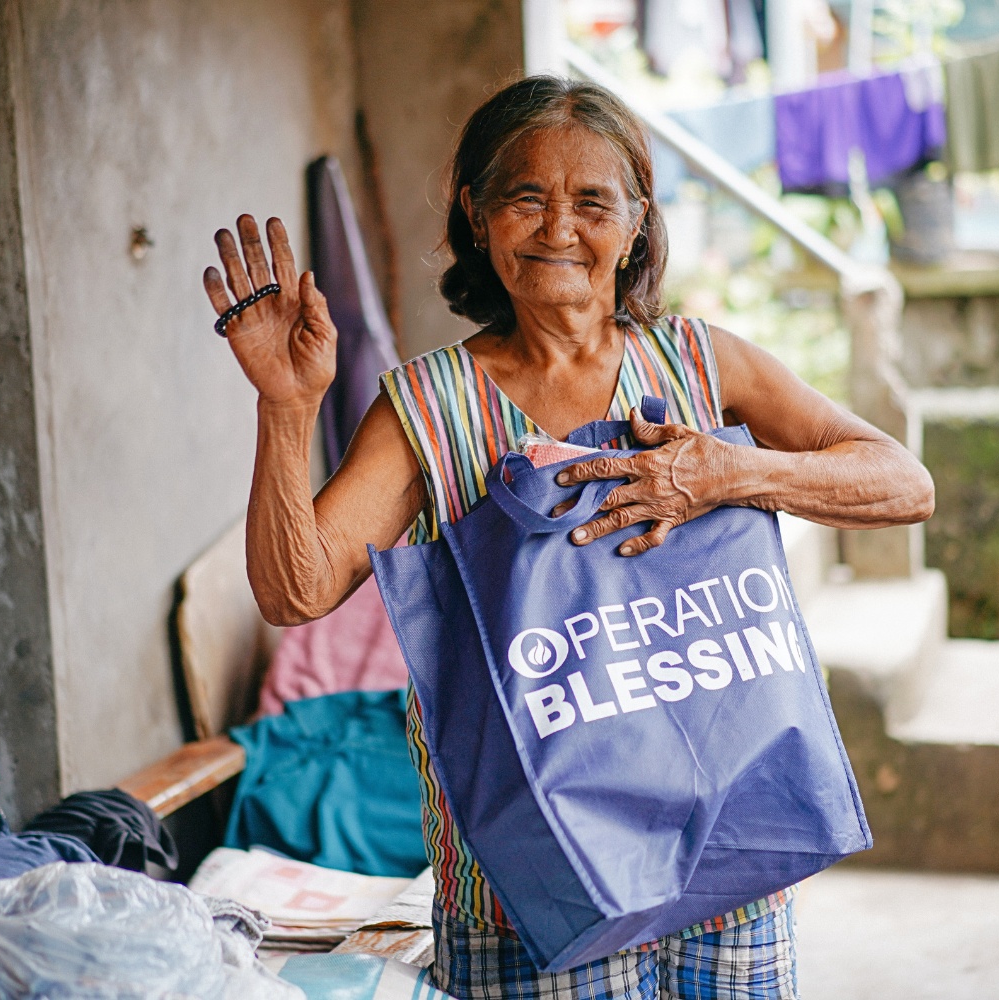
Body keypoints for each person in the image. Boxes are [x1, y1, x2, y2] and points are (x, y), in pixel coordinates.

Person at [203, 76, 933, 1000]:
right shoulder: (429, 405)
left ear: (635, 224)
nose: (558, 228)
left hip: (728, 869)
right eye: (525, 198)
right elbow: (293, 591)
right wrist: (287, 405)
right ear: (477, 215)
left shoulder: (705, 364)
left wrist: (727, 472)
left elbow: (903, 484)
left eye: (592, 202)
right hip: (532, 892)